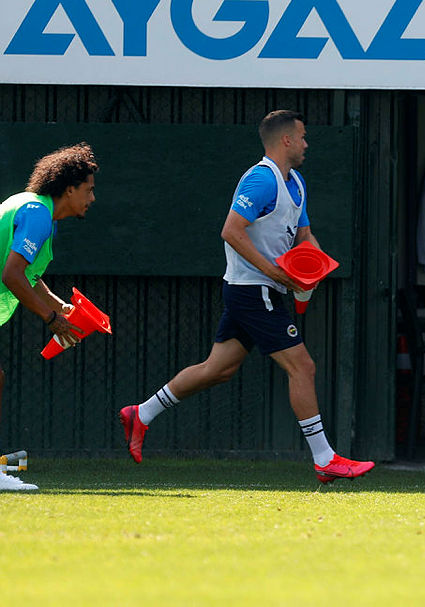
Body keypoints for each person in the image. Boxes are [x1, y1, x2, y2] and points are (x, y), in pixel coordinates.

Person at [118, 111, 374, 483]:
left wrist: (313, 272)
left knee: (218, 369)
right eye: (302, 137)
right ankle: (324, 459)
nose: (306, 144)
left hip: (260, 290)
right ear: (285, 140)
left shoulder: (296, 182)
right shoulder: (260, 179)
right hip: (253, 290)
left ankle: (140, 414)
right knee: (302, 366)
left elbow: (305, 235)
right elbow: (231, 231)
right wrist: (275, 273)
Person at [0, 144, 97, 492]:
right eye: (88, 190)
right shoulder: (39, 215)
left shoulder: (38, 211)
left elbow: (28, 274)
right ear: (69, 189)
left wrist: (60, 306)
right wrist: (51, 318)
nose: (92, 198)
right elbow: (12, 275)